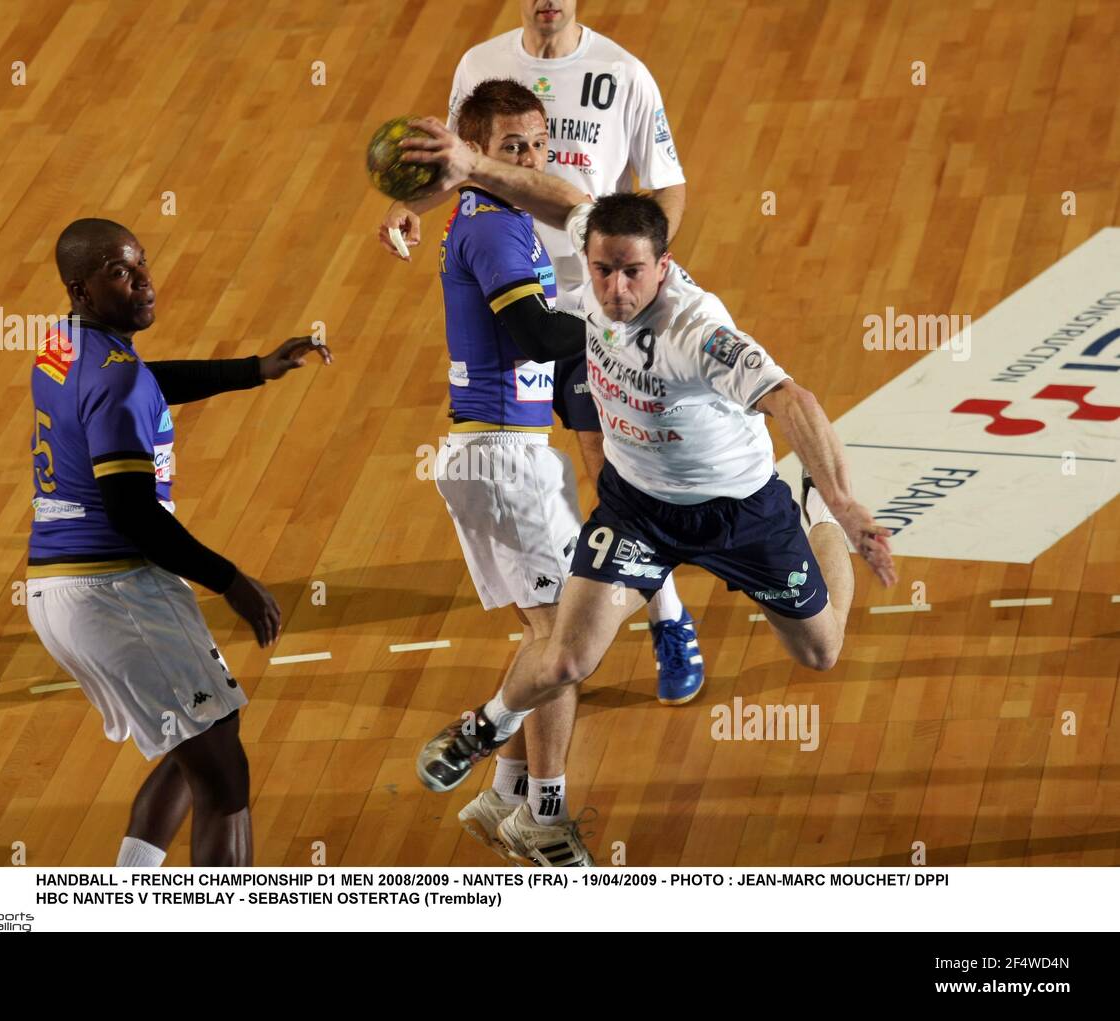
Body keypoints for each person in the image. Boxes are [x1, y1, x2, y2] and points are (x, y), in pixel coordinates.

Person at [403, 121, 898, 865]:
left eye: (632, 272)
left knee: (821, 652)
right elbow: (557, 193)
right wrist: (472, 164)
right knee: (566, 656)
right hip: (638, 507)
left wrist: (850, 500)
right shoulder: (597, 247)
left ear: (663, 266)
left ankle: (818, 514)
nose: (613, 289)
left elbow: (794, 400)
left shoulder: (700, 332)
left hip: (740, 509)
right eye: (601, 270)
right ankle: (486, 725)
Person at [378, 0, 705, 706]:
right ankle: (550, 641)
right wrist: (415, 205)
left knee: (611, 469)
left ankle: (669, 619)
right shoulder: (479, 67)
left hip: (591, 309)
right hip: (513, 299)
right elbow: (459, 166)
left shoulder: (624, 73)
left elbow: (668, 183)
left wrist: (638, 267)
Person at [26, 218, 330, 866]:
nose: (142, 282)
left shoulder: (60, 345)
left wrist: (253, 369)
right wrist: (231, 579)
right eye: (119, 272)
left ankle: (133, 887)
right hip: (117, 593)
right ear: (81, 288)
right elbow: (134, 513)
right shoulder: (116, 381)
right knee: (225, 777)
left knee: (205, 734)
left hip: (57, 589)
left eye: (141, 266)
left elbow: (139, 379)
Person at [417, 79, 594, 865]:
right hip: (502, 457)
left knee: (546, 631)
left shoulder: (503, 220)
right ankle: (541, 813)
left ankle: (507, 791)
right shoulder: (493, 227)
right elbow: (533, 330)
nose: (528, 158)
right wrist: (621, 323)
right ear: (473, 150)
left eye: (536, 144)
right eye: (510, 146)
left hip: (505, 452)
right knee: (565, 641)